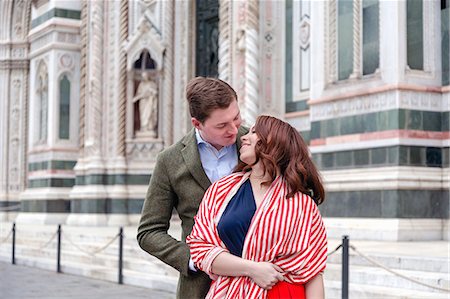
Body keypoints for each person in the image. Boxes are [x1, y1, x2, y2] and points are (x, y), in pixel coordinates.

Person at [187, 115, 327, 299]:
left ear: (276, 142)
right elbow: (200, 249)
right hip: (230, 292)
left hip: (284, 293)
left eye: (254, 132)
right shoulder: (221, 191)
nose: (244, 137)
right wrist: (252, 269)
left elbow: (313, 271)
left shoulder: (302, 205)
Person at [137, 77, 248, 299]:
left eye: (235, 118)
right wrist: (195, 258)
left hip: (258, 279)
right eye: (222, 125)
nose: (233, 129)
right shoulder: (170, 160)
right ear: (197, 123)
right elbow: (148, 232)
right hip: (200, 286)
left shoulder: (257, 142)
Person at [133, 72, 158, 136]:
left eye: (145, 76)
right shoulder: (141, 84)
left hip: (149, 101)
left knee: (149, 114)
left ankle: (149, 128)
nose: (144, 77)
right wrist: (138, 97)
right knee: (143, 115)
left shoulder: (152, 84)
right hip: (143, 102)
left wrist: (152, 92)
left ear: (148, 76)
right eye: (143, 76)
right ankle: (144, 127)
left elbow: (155, 93)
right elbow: (139, 93)